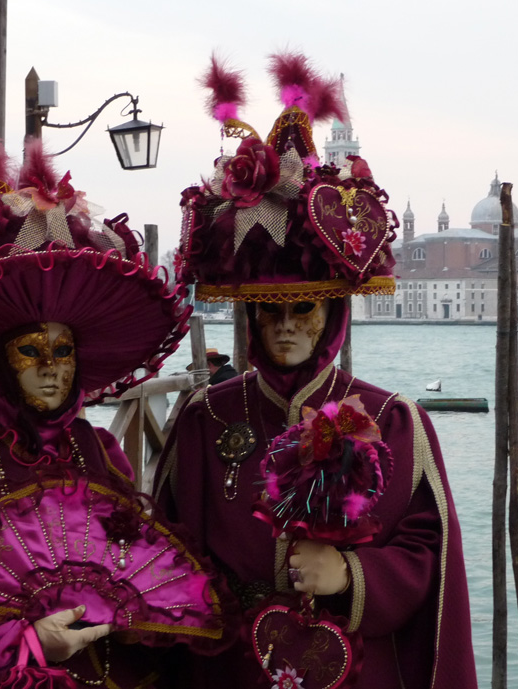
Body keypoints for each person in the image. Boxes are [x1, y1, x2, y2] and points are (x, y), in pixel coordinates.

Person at [0, 128, 230, 689]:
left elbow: (135, 569)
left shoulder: (96, 451)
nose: (52, 368)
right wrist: (24, 642)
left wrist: (132, 619)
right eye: (31, 352)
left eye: (63, 350)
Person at [153, 53, 477, 689]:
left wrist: (350, 577)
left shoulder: (392, 421)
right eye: (268, 310)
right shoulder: (205, 417)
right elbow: (167, 549)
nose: (285, 326)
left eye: (305, 308)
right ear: (247, 316)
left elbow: (426, 559)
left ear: (334, 314)